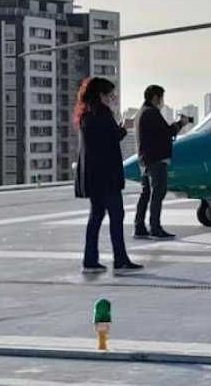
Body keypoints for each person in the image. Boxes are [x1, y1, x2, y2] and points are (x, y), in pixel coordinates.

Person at [74, 77, 142, 274]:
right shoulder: (102, 114)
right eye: (109, 95)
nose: (112, 99)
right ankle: (120, 259)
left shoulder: (86, 114)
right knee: (116, 214)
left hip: (93, 176)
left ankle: (90, 260)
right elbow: (112, 137)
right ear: (100, 95)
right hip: (106, 176)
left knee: (95, 217)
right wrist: (125, 127)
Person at [134, 85, 190, 240]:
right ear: (155, 97)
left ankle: (139, 226)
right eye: (161, 97)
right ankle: (155, 227)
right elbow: (166, 132)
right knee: (157, 193)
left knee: (145, 193)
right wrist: (180, 124)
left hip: (144, 159)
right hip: (156, 159)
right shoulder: (152, 113)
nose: (162, 101)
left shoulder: (140, 113)